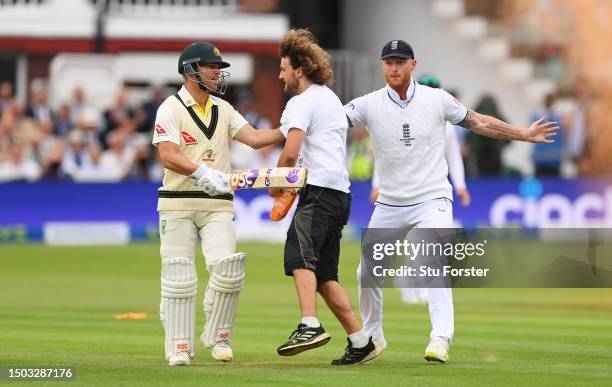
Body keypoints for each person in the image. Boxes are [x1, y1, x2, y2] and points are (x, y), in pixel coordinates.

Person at [345, 39, 558, 364]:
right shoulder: (369, 104)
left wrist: (523, 133)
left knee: (433, 262)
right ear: (381, 66)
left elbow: (479, 122)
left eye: (400, 61)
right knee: (366, 272)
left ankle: (440, 337)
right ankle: (373, 337)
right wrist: (288, 131)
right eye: (388, 62)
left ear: (413, 65)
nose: (394, 67)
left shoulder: (437, 99)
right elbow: (332, 120)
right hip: (390, 202)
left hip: (432, 198)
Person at [152, 42, 284, 366]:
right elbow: (167, 155)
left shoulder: (223, 109)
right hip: (177, 202)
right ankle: (179, 346)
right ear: (191, 70)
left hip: (218, 202)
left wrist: (289, 130)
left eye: (219, 67)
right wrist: (202, 172)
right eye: (212, 66)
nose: (218, 72)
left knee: (228, 269)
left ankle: (219, 337)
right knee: (178, 275)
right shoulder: (170, 108)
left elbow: (253, 138)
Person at [272, 29, 378, 366]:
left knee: (298, 255)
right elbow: (275, 139)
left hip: (317, 191)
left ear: (299, 70)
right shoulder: (328, 97)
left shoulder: (301, 102)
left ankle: (309, 325)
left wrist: (276, 184)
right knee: (325, 275)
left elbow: (290, 152)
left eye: (284, 68)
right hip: (339, 194)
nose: (280, 74)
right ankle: (361, 341)